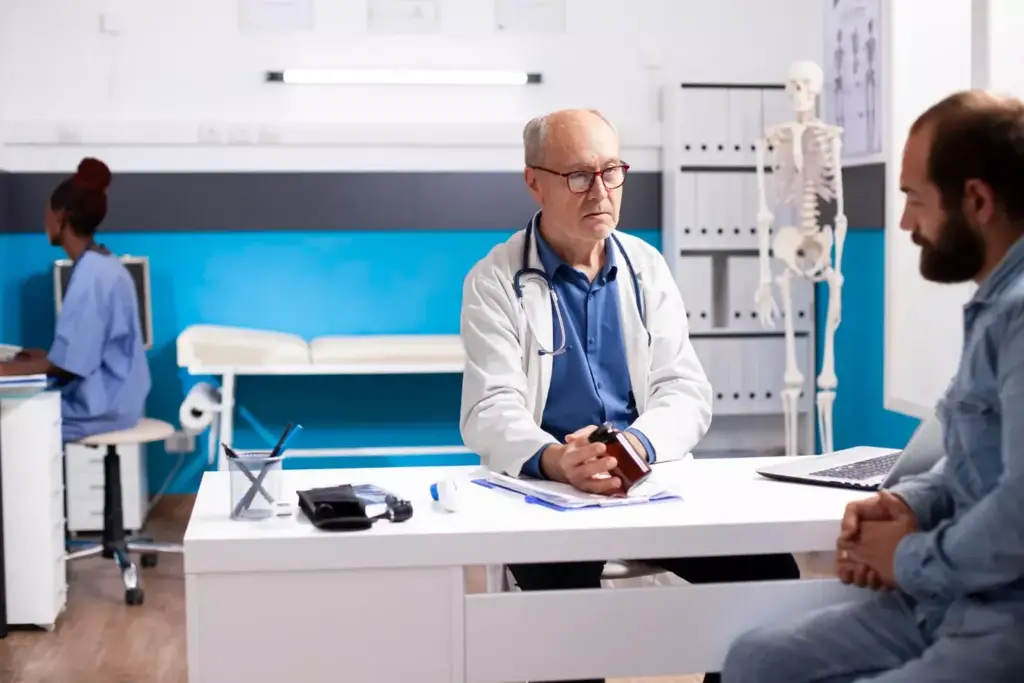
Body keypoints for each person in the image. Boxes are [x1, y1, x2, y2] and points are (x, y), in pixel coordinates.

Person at [459, 109, 800, 683]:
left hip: (647, 479)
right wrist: (558, 460)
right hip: (549, 493)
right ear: (534, 181)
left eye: (611, 171)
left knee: (768, 578)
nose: (600, 191)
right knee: (566, 622)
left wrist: (636, 445)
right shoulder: (494, 280)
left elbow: (685, 390)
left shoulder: (647, 267)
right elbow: (490, 409)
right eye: (577, 176)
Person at [721, 90, 1024, 683]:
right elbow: (973, 460)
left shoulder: (1020, 317)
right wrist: (907, 501)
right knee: (754, 660)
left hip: (1003, 618)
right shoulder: (992, 307)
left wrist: (907, 559)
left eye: (914, 200)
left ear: (977, 200)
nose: (907, 223)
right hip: (944, 601)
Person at [0, 157, 151, 443]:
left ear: (61, 217)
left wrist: (7, 369)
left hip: (103, 406)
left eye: (46, 214)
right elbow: (83, 354)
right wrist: (43, 357)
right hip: (122, 396)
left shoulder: (90, 275)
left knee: (15, 421)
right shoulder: (105, 264)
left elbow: (70, 365)